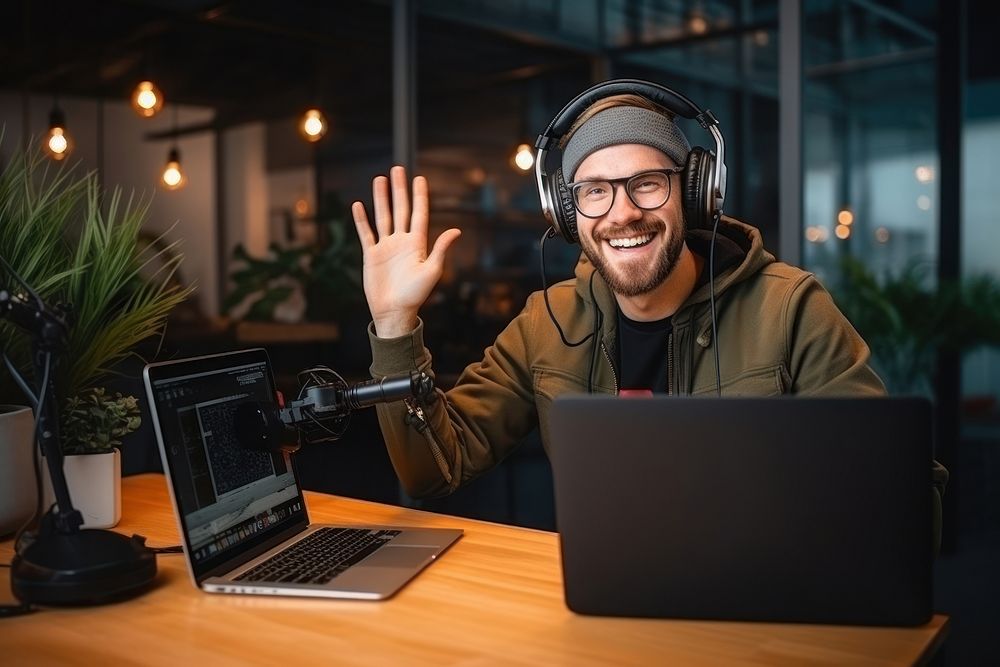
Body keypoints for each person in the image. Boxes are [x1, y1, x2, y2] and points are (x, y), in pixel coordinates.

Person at [350, 80, 945, 525]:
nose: (623, 213)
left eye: (647, 183)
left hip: (761, 606)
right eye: (594, 192)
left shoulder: (791, 310)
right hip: (608, 601)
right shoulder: (544, 324)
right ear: (566, 214)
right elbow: (434, 471)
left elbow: (905, 507)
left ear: (693, 192)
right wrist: (396, 327)